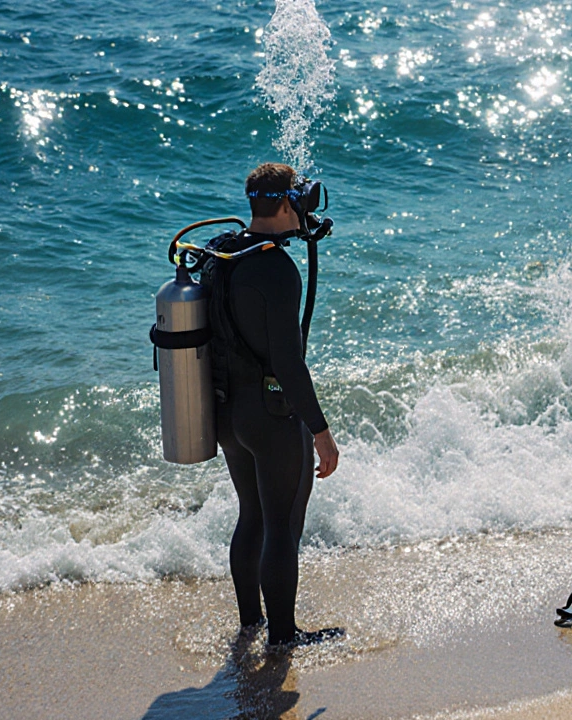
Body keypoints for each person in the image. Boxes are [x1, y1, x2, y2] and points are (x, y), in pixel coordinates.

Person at [204, 162, 342, 648]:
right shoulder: (277, 270)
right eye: (300, 198)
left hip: (226, 414)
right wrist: (320, 431)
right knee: (281, 524)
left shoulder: (222, 254)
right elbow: (288, 364)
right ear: (286, 204)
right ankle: (283, 637)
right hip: (269, 417)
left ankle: (250, 623)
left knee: (252, 516)